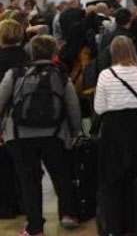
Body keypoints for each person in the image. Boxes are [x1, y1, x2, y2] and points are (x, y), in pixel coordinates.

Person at [0, 35, 82, 236]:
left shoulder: (16, 74)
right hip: (54, 134)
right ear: (54, 53)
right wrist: (74, 132)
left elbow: (1, 100)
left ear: (30, 52)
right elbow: (73, 107)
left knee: (29, 181)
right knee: (62, 174)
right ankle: (68, 214)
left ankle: (34, 227)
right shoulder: (61, 76)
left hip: (18, 135)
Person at [95, 35, 137, 236]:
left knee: (112, 182)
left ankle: (114, 227)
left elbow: (99, 107)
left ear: (112, 52)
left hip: (113, 132)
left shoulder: (106, 74)